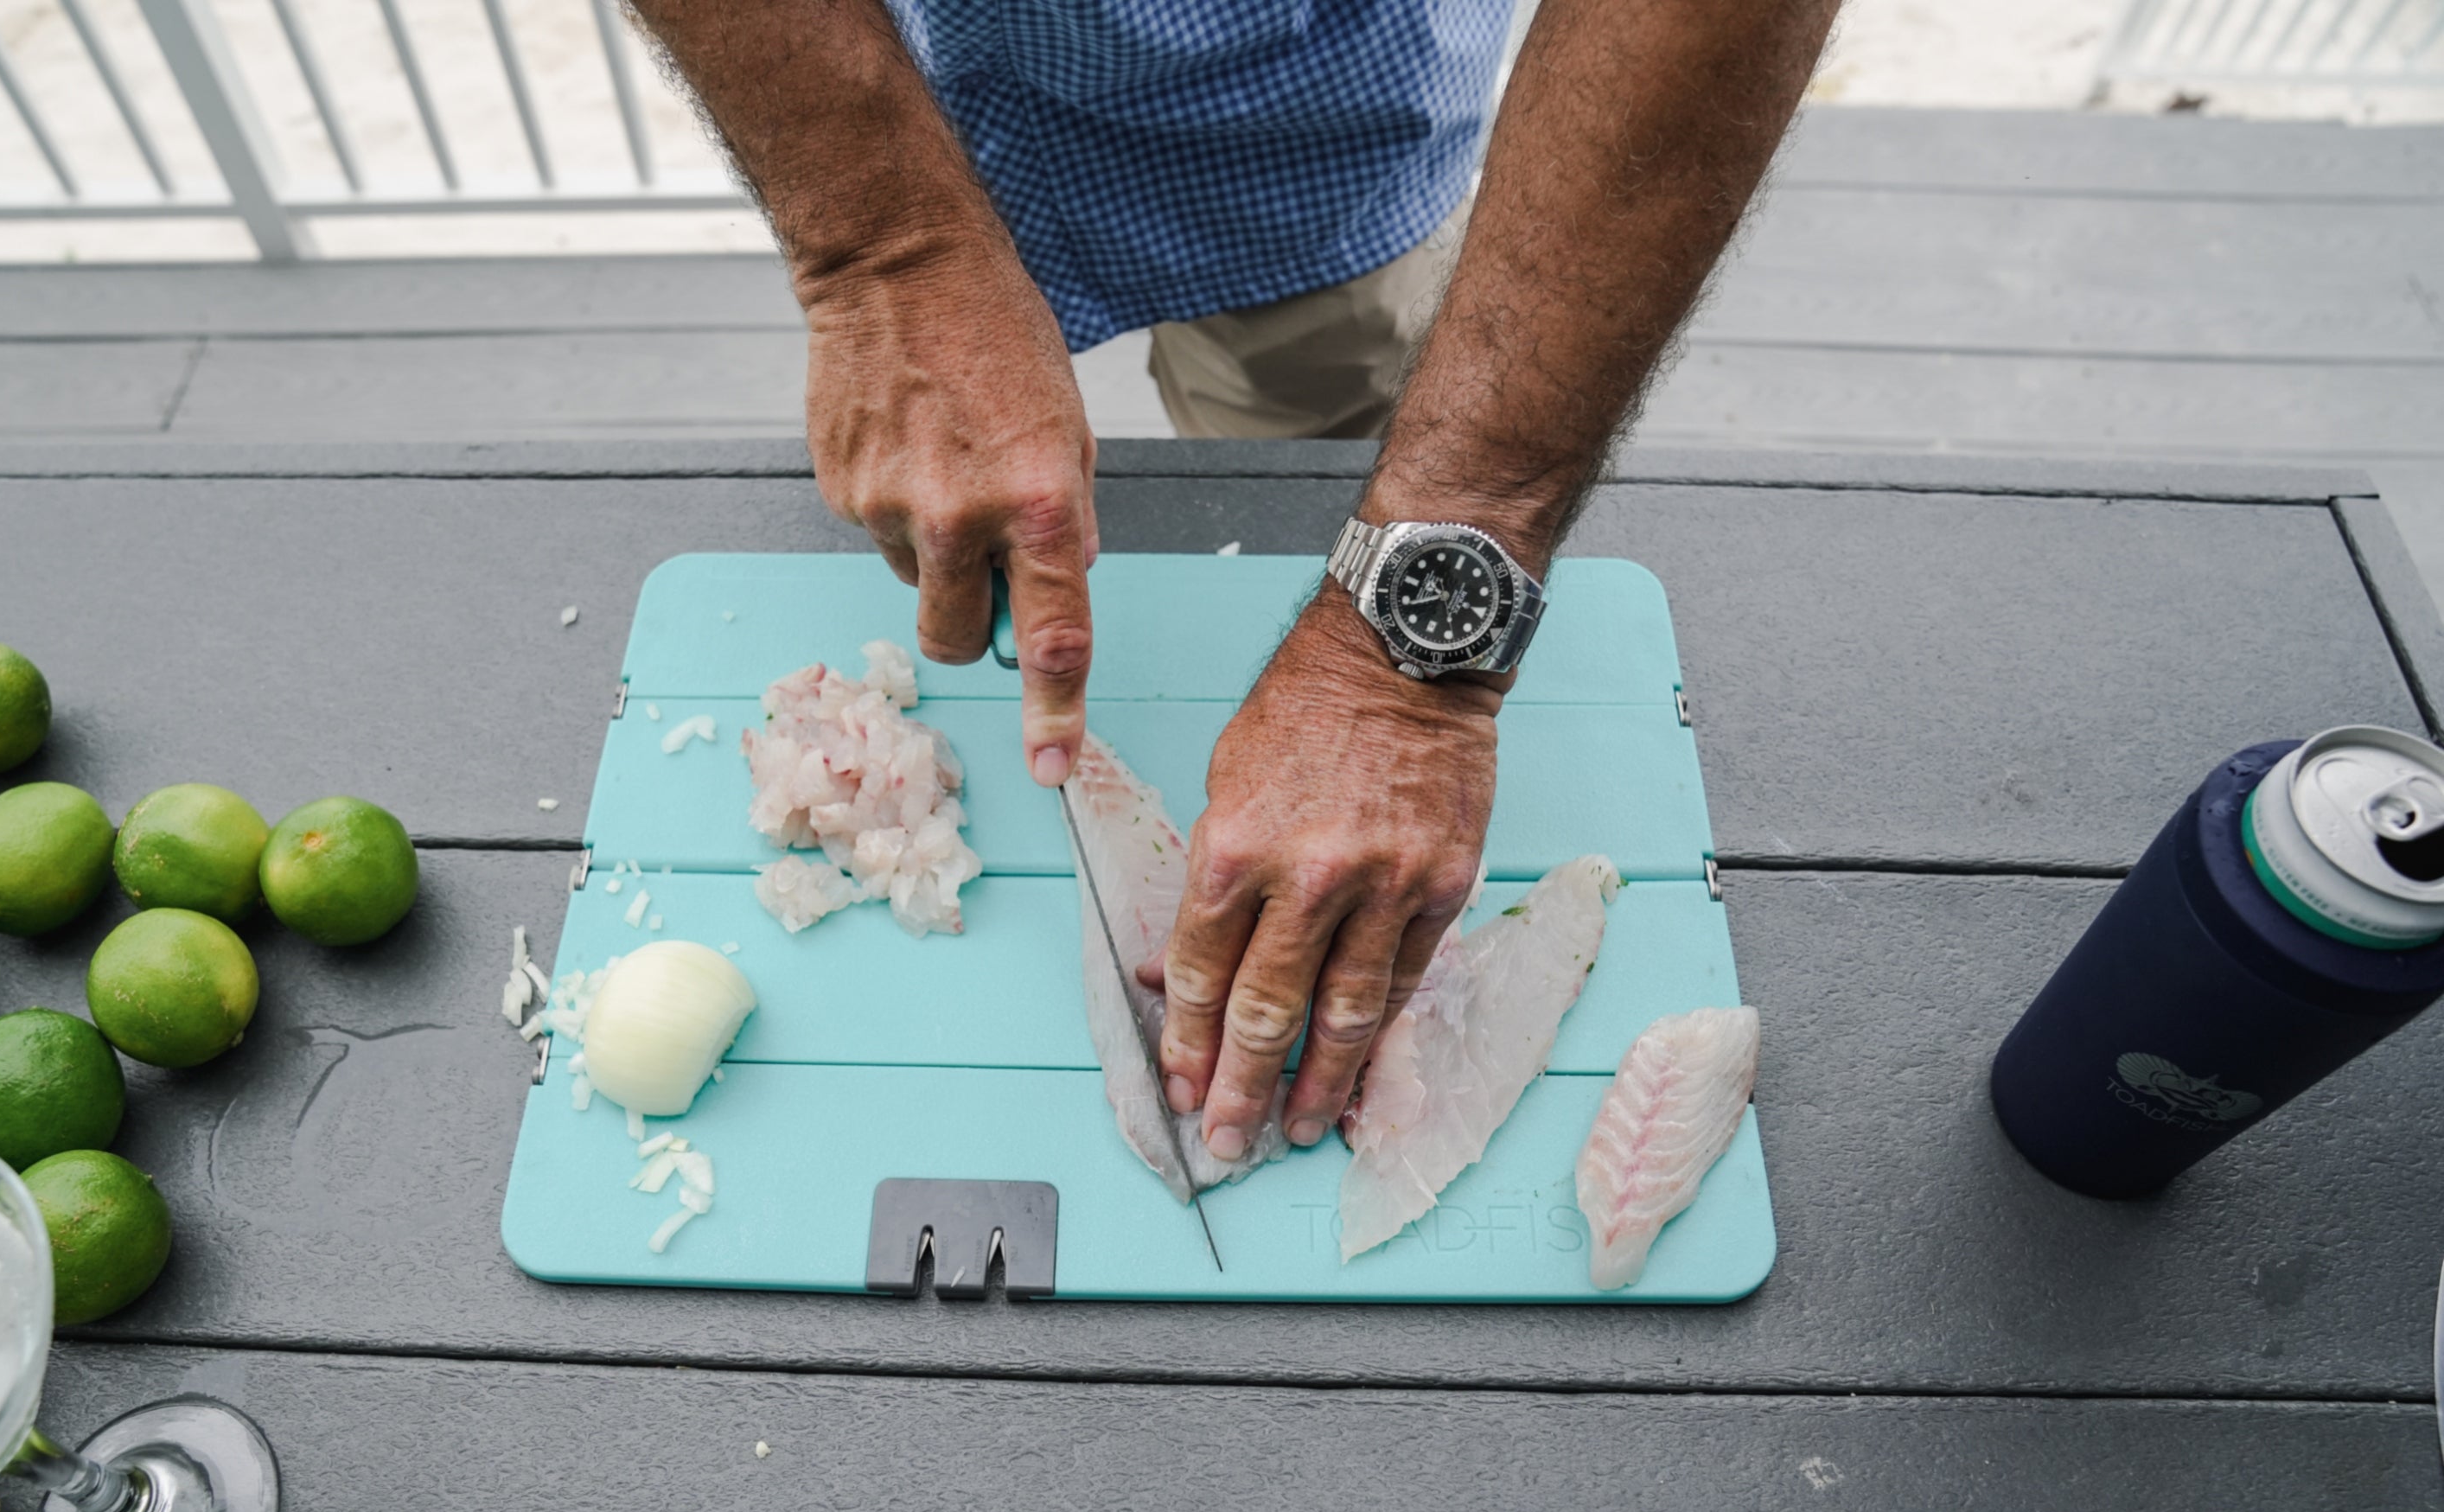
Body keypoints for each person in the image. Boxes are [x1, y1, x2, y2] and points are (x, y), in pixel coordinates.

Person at [629, 0, 1838, 1162]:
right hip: (889, 92)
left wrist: (1411, 651)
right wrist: (880, 250)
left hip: (1309, 139)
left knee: (1315, 425)